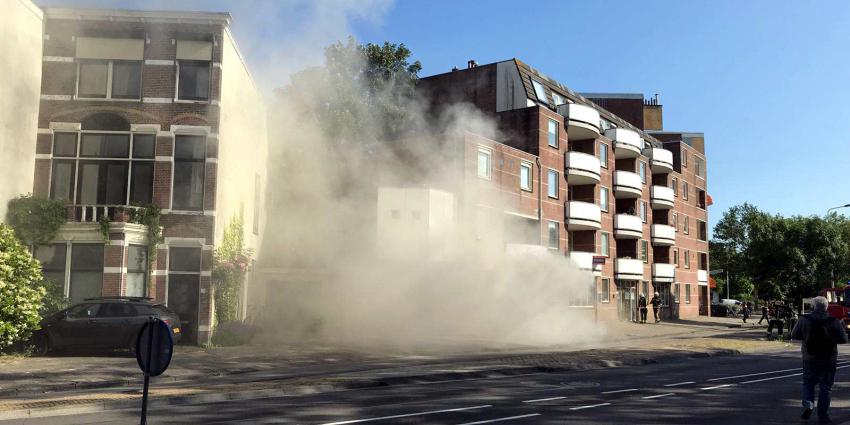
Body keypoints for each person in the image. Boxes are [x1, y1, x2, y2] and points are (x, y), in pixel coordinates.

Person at [790, 296, 848, 423]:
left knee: (808, 383)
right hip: (829, 359)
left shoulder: (804, 319)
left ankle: (808, 405)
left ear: (814, 306)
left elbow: (794, 335)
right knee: (826, 387)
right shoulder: (834, 321)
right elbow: (844, 340)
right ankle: (823, 415)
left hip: (809, 357)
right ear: (826, 307)